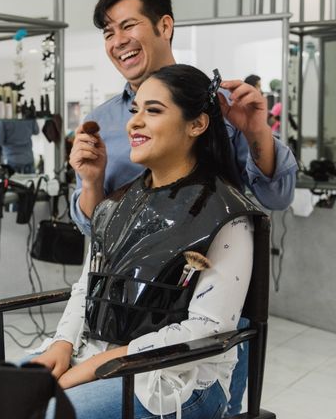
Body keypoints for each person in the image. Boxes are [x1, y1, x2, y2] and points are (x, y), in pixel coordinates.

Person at [67, 0, 297, 415]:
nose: (117, 41)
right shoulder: (101, 124)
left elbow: (276, 195)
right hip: (118, 314)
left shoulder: (222, 110)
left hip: (204, 311)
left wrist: (256, 133)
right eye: (107, 32)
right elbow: (98, 236)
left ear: (164, 26)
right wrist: (93, 184)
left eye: (128, 25)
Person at [29, 64, 265, 419]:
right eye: (135, 110)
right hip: (100, 351)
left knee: (48, 412)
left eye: (153, 111)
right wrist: (63, 344)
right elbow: (87, 286)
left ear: (197, 124)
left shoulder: (226, 214)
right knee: (0, 395)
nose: (134, 122)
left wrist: (95, 367)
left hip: (177, 372)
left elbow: (207, 328)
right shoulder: (114, 204)